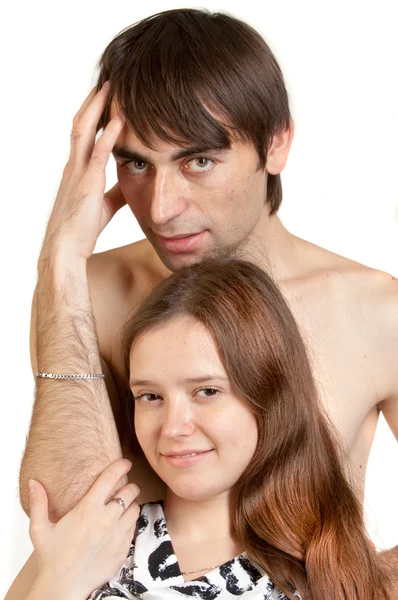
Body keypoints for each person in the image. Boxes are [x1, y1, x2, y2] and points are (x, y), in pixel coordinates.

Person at [16, 5, 397, 585]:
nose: (162, 208)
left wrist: (363, 583)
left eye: (198, 160)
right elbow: (66, 526)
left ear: (275, 144)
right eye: (136, 164)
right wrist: (60, 260)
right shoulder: (88, 293)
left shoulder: (374, 312)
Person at [6, 259, 393, 600]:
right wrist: (59, 583)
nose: (172, 427)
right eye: (150, 396)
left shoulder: (330, 569)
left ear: (270, 395)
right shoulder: (93, 538)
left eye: (207, 391)